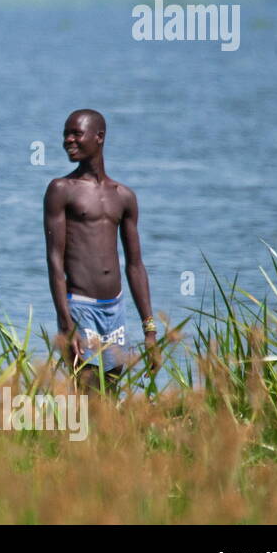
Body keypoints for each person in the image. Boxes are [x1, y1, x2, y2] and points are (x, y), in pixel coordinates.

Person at [43, 109, 160, 393]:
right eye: (65, 134)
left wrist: (150, 330)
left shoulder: (124, 196)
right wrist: (65, 322)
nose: (68, 140)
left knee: (111, 393)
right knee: (88, 393)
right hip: (81, 308)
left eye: (76, 134)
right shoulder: (62, 190)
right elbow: (55, 261)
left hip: (114, 310)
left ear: (99, 137)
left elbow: (135, 265)